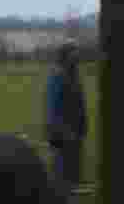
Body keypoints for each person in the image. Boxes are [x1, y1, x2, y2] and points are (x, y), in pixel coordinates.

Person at [44, 40, 88, 198]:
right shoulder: (57, 76)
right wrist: (59, 130)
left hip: (75, 129)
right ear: (64, 55)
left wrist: (83, 124)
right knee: (60, 167)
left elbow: (79, 102)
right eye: (72, 52)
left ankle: (70, 192)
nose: (76, 55)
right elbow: (53, 106)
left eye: (76, 51)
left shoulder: (74, 75)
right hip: (61, 131)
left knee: (74, 167)